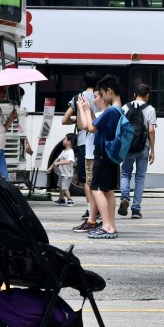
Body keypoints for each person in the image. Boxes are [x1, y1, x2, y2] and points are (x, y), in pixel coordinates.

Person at [76, 74, 121, 239]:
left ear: (109, 91)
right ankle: (111, 225)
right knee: (108, 191)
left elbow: (90, 128)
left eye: (101, 93)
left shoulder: (110, 111)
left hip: (102, 155)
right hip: (110, 155)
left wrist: (86, 109)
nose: (100, 97)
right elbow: (97, 124)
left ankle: (107, 226)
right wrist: (90, 112)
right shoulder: (117, 111)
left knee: (96, 189)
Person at [61, 71, 100, 233]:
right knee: (97, 179)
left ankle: (90, 210)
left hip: (84, 141)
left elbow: (64, 120)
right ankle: (97, 209)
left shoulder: (79, 98)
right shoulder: (101, 97)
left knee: (86, 180)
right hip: (99, 141)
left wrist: (78, 119)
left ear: (84, 82)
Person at [118, 83, 157, 219]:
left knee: (125, 174)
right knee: (140, 178)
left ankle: (124, 197)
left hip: (128, 147)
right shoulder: (150, 109)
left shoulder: (125, 107)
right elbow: (151, 130)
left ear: (134, 95)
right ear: (147, 96)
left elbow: (121, 127)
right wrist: (152, 150)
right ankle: (136, 210)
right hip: (143, 146)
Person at [48, 133, 77, 206]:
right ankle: (61, 199)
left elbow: (69, 161)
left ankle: (70, 200)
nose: (63, 140)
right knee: (60, 186)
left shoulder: (70, 152)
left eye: (65, 139)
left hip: (67, 174)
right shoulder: (63, 151)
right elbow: (56, 160)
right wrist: (51, 167)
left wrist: (59, 163)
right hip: (62, 173)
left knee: (65, 188)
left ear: (69, 142)